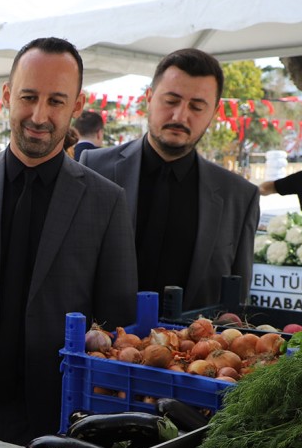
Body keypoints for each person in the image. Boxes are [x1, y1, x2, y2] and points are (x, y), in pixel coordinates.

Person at [0, 37, 137, 443]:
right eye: (29, 97)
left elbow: (117, 325)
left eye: (55, 101)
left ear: (77, 106)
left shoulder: (106, 201)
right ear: (6, 96)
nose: (39, 115)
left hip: (61, 418)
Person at [83, 49, 259, 308]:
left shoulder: (239, 197)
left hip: (194, 346)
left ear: (214, 112)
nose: (180, 116)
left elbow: (235, 304)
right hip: (97, 345)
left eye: (197, 107)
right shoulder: (94, 168)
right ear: (149, 98)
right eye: (171, 101)